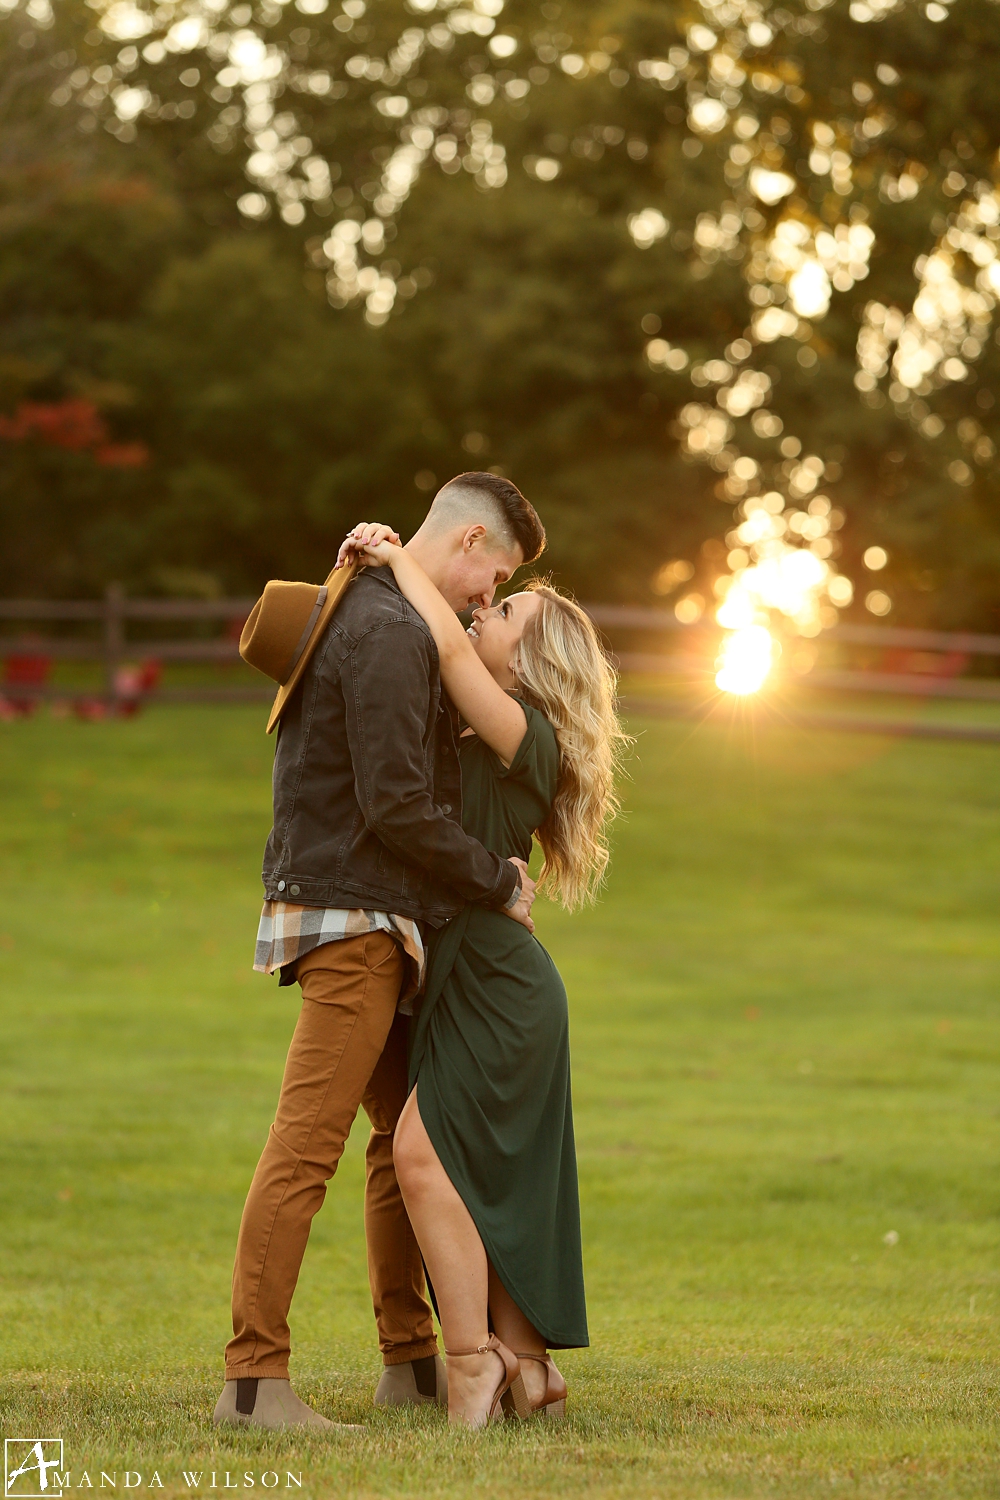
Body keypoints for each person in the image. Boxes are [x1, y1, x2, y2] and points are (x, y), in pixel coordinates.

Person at [213, 474, 546, 1430]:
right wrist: (497, 879)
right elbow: (395, 802)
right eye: (499, 573)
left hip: (369, 913)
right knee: (305, 1149)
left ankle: (412, 1362)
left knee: (406, 1143)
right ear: (473, 537)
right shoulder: (395, 630)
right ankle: (252, 1384)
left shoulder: (374, 600)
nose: (489, 595)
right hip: (355, 920)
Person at [337, 521, 627, 1427]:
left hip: (503, 988)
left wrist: (395, 561)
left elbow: (450, 654)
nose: (482, 610)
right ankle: (526, 1368)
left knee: (422, 1156)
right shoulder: (476, 728)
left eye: (504, 610)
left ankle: (473, 1366)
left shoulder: (526, 731)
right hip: (461, 977)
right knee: (475, 1171)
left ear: (533, 661)